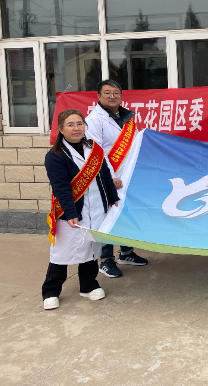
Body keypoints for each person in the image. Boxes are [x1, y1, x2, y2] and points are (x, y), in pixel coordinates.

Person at [42, 109, 120, 310]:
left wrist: (113, 198)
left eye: (79, 124)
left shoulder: (94, 149)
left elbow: (105, 175)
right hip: (70, 213)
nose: (76, 128)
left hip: (97, 210)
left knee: (91, 251)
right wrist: (70, 213)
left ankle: (88, 285)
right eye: (70, 124)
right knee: (62, 254)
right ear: (61, 129)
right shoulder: (55, 156)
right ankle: (50, 291)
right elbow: (61, 188)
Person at [86, 79, 148, 278]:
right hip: (108, 176)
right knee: (107, 216)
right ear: (99, 96)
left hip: (128, 175)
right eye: (107, 93)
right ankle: (106, 260)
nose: (112, 96)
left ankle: (126, 253)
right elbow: (96, 150)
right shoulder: (94, 119)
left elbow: (135, 145)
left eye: (116, 93)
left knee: (125, 212)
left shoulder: (127, 117)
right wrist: (110, 176)